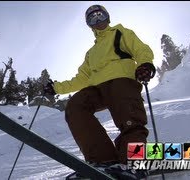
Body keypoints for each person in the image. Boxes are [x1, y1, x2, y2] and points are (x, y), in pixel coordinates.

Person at [44, 4, 155, 179]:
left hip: (121, 80)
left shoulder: (119, 32)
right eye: (92, 18)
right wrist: (56, 87)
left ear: (107, 17)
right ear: (89, 24)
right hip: (97, 87)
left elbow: (140, 49)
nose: (97, 20)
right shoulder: (91, 53)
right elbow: (81, 78)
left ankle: (134, 164)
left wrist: (145, 64)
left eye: (100, 15)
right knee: (75, 106)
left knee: (129, 119)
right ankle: (104, 160)